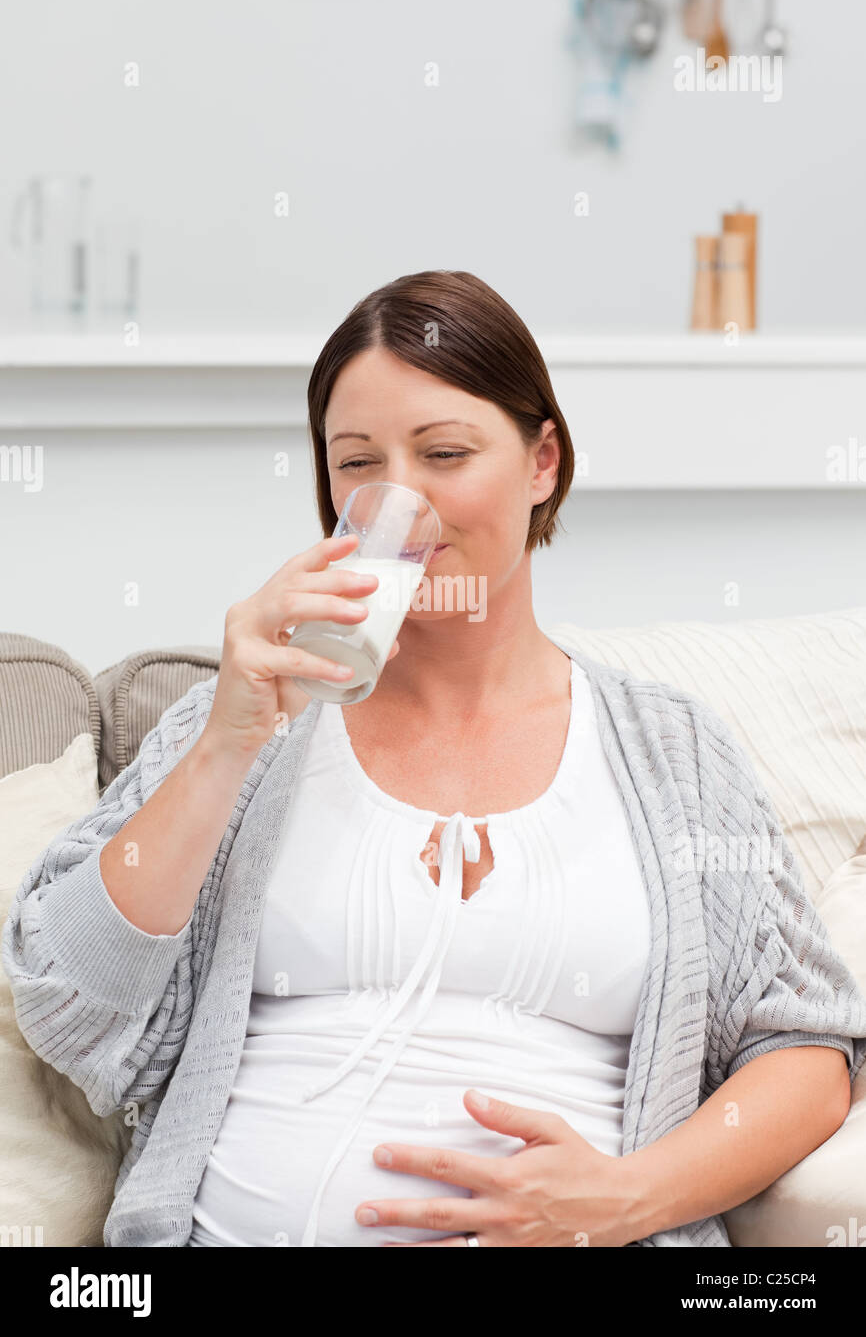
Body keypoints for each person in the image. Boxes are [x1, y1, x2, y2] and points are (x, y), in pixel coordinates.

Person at [5, 270, 866, 1248]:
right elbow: (67, 997)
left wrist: (629, 1197)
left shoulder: (673, 753)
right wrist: (223, 747)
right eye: (358, 461)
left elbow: (802, 1051)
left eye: (445, 452)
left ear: (542, 461)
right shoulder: (242, 717)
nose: (400, 498)